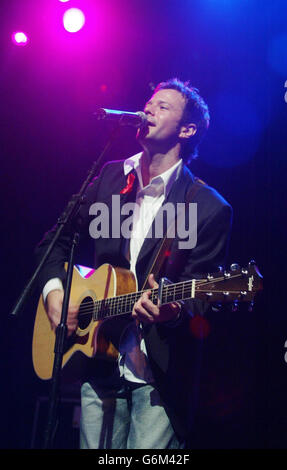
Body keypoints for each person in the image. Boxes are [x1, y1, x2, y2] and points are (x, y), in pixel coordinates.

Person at [35, 78, 233, 449]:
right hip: (98, 361)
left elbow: (202, 298)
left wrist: (171, 312)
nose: (148, 110)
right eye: (149, 102)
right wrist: (55, 295)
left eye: (162, 107)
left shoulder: (207, 207)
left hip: (158, 377)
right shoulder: (110, 179)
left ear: (187, 130)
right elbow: (53, 245)